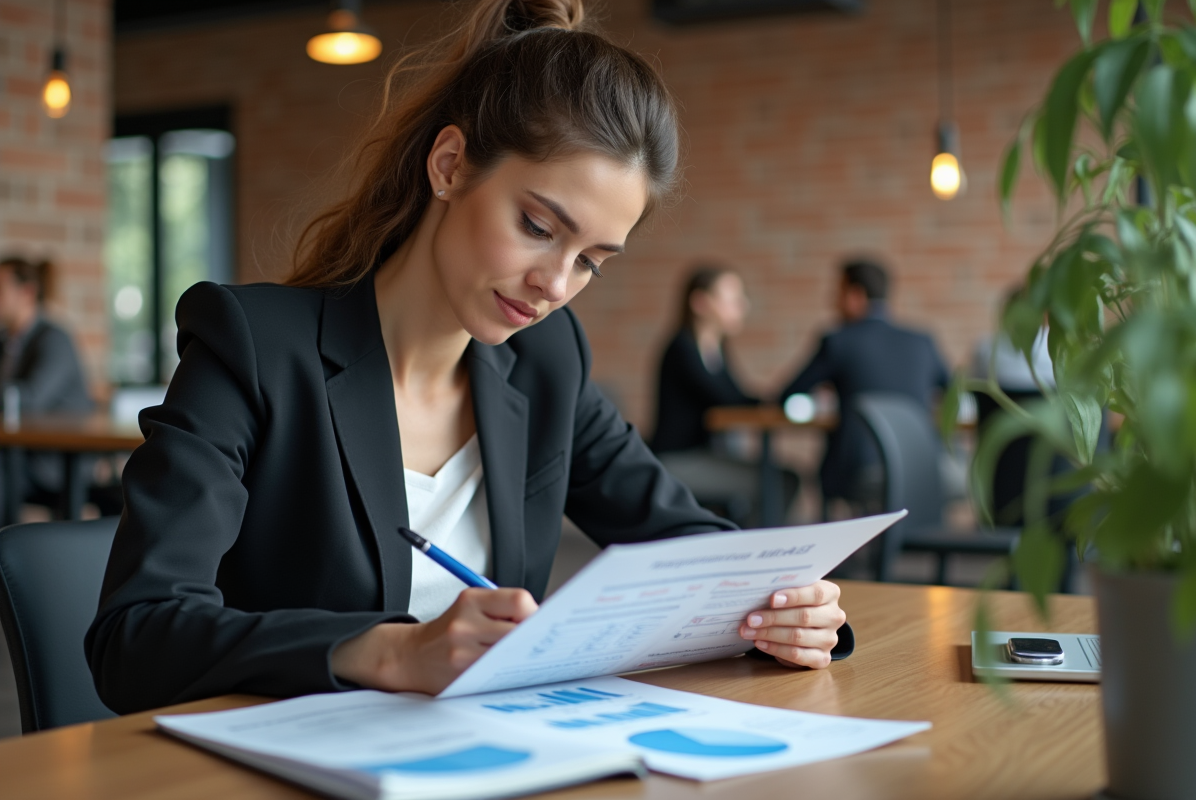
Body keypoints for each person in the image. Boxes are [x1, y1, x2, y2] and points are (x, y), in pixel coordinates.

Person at [86, 0, 849, 715]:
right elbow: (137, 635)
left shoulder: (545, 360)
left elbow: (681, 536)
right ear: (450, 165)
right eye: (538, 225)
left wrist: (788, 605)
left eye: (591, 261)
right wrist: (385, 651)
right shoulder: (254, 345)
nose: (554, 284)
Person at [780, 259, 949, 511]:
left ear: (855, 295)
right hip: (924, 465)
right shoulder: (922, 341)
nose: (833, 301)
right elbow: (955, 394)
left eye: (837, 292)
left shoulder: (838, 341)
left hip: (858, 469)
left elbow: (787, 395)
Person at [650, 265, 797, 524]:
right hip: (680, 459)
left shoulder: (715, 349)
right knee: (781, 480)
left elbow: (736, 396)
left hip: (705, 453)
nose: (743, 306)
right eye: (732, 300)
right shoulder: (683, 349)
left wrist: (771, 401)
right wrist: (775, 402)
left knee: (782, 477)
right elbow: (728, 400)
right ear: (701, 302)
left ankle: (746, 544)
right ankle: (752, 550)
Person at [0, 256, 94, 515]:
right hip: (18, 455)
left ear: (27, 292)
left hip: (55, 461)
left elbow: (31, 398)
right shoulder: (6, 341)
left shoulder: (54, 339)